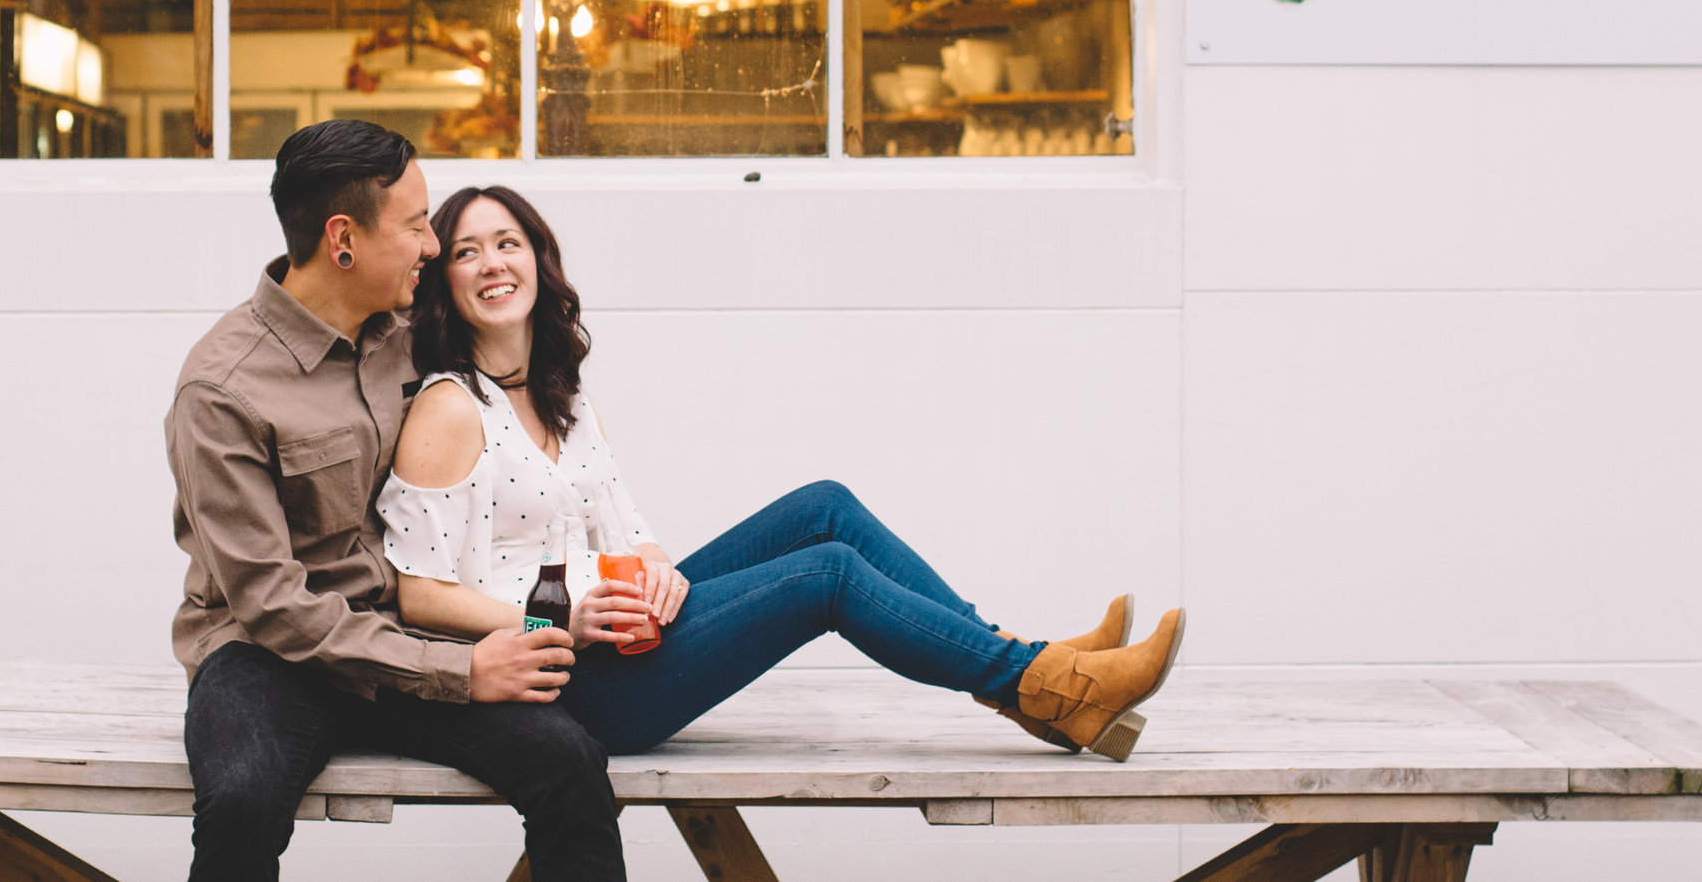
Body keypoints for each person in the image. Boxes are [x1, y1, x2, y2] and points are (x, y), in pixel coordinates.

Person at [378, 184, 1185, 761]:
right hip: (567, 684)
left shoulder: (563, 398)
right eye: (467, 251)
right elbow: (415, 591)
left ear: (538, 260)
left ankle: (1027, 666)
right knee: (826, 575)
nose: (491, 263)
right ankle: (1044, 682)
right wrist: (550, 623)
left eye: (507, 243)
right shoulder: (452, 408)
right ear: (444, 277)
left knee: (823, 506)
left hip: (626, 633)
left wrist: (658, 578)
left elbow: (634, 538)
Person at [166, 123, 625, 882]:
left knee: (571, 761)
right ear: (342, 238)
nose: (432, 246)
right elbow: (274, 604)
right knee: (240, 802)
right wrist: (462, 672)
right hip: (264, 653)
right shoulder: (222, 388)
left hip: (400, 630)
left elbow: (520, 382)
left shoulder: (413, 333)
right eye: (417, 224)